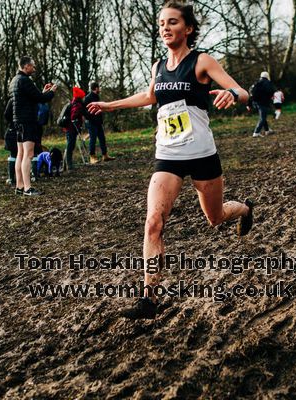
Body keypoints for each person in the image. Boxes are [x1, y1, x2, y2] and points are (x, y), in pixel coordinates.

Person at [87, 1, 254, 319]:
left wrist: (231, 95)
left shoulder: (201, 61)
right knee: (153, 222)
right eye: (162, 22)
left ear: (188, 28)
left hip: (202, 154)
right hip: (168, 156)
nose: (165, 27)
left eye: (173, 22)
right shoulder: (157, 66)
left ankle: (245, 209)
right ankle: (148, 298)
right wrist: (109, 105)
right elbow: (150, 96)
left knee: (215, 218)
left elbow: (240, 90)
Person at [9, 56, 57, 196]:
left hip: (17, 121)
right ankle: (28, 188)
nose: (34, 69)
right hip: (27, 121)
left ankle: (19, 185)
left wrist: (42, 92)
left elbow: (33, 98)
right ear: (26, 66)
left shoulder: (14, 81)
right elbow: (42, 99)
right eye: (32, 66)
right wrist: (52, 91)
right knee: (28, 155)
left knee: (20, 154)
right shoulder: (25, 80)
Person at [84, 82, 115, 164]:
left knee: (102, 139)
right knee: (93, 140)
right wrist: (91, 117)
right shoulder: (87, 98)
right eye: (99, 88)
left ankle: (105, 155)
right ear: (96, 88)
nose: (100, 89)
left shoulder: (96, 97)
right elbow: (85, 111)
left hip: (98, 122)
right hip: (91, 123)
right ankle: (92, 157)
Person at [248, 71, 276, 137]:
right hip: (263, 103)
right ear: (267, 76)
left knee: (262, 117)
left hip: (255, 103)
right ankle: (256, 133)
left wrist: (249, 104)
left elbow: (250, 93)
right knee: (262, 118)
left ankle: (267, 130)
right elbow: (271, 91)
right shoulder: (268, 83)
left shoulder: (256, 83)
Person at [65, 86, 86, 170]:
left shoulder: (73, 102)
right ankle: (69, 164)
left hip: (69, 128)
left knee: (69, 146)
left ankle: (67, 164)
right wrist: (78, 121)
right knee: (70, 146)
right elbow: (73, 116)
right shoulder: (78, 105)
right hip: (72, 128)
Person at [4, 98, 18, 186]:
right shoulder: (28, 98)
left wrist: (12, 122)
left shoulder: (13, 100)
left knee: (13, 154)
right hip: (26, 129)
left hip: (13, 129)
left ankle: (11, 178)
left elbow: (6, 114)